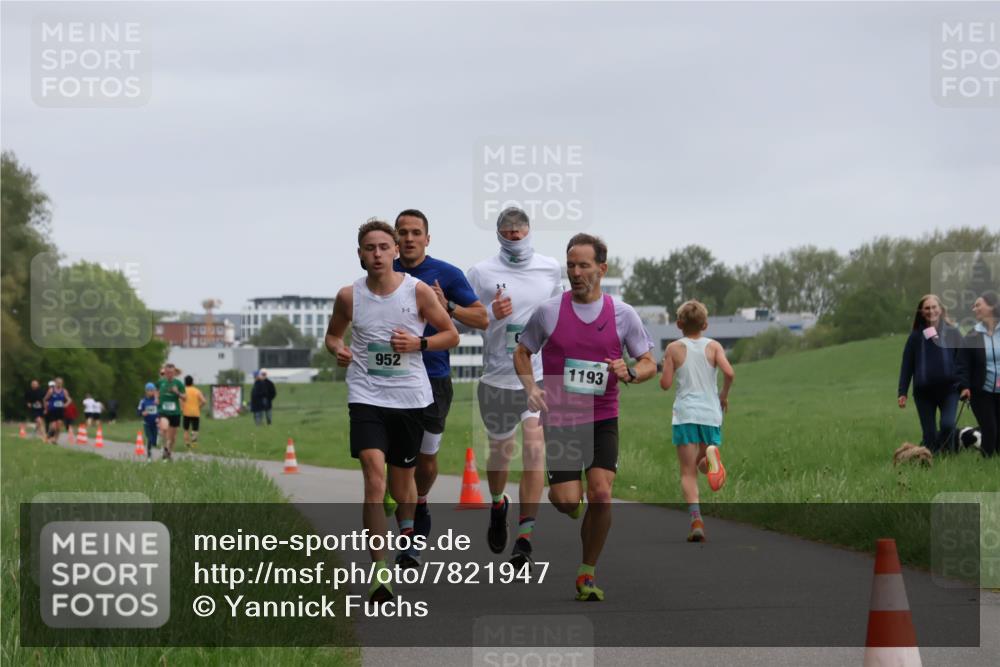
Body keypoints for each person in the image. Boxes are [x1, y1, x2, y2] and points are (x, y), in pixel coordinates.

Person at [514, 233, 656, 601]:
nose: (576, 273)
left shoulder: (622, 314)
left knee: (602, 493)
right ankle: (571, 504)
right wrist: (531, 387)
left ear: (601, 269)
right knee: (565, 500)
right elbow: (522, 352)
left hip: (602, 415)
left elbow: (648, 362)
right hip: (562, 417)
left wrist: (631, 372)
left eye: (584, 266)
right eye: (571, 266)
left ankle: (586, 573)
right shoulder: (549, 311)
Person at [325, 218, 459, 602]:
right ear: (360, 255)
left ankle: (407, 526)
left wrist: (418, 345)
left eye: (385, 247)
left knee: (404, 486)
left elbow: (451, 334)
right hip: (366, 395)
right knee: (373, 476)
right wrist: (338, 349)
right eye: (370, 248)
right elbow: (333, 335)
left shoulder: (416, 292)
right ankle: (380, 572)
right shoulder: (349, 296)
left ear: (396, 251)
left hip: (410, 399)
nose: (378, 254)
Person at [466, 207, 562, 567]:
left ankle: (525, 536)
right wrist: (491, 313)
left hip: (534, 375)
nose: (516, 240)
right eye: (509, 235)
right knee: (501, 455)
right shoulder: (480, 272)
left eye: (521, 234)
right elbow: (459, 317)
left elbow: (558, 316)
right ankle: (497, 503)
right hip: (496, 377)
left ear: (530, 232)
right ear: (499, 235)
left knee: (535, 449)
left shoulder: (551, 269)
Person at [393, 209, 488, 548]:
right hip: (391, 377)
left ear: (427, 239)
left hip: (434, 376)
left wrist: (447, 307)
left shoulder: (446, 273)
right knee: (397, 456)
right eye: (402, 232)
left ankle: (420, 500)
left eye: (415, 232)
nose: (408, 238)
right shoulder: (383, 272)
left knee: (426, 457)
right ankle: (405, 529)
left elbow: (482, 318)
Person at [660, 300, 735, 542]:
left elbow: (665, 385)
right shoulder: (714, 347)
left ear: (678, 323)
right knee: (703, 463)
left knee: (688, 471)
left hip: (685, 415)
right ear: (705, 324)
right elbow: (730, 372)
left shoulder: (673, 348)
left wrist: (665, 364)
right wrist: (723, 395)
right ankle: (711, 456)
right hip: (710, 414)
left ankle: (696, 521)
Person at [897, 294, 963, 454]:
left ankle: (949, 454)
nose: (931, 311)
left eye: (934, 307)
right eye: (927, 308)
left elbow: (963, 360)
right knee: (930, 434)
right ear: (921, 312)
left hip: (949, 390)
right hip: (924, 393)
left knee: (947, 425)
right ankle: (930, 458)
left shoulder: (952, 333)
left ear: (940, 310)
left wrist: (966, 385)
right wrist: (902, 392)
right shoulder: (915, 337)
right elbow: (907, 365)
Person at [957, 291, 1000, 458]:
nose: (974, 308)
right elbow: (962, 364)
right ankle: (987, 461)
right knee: (989, 428)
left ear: (992, 306)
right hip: (981, 391)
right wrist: (964, 386)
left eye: (978, 305)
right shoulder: (972, 335)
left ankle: (995, 464)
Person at [156, 363, 186, 460]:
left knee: (173, 438)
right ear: (165, 372)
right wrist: (156, 398)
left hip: (175, 413)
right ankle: (165, 448)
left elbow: (185, 398)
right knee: (164, 428)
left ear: (174, 373)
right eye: (167, 372)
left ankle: (168, 452)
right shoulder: (161, 382)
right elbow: (156, 390)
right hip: (163, 411)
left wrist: (177, 392)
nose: (169, 374)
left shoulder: (179, 383)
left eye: (171, 373)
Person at [42, 378, 72, 444]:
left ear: (62, 383)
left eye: (60, 383)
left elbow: (69, 399)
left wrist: (66, 404)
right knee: (53, 427)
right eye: (58, 382)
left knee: (59, 426)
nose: (59, 384)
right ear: (55, 383)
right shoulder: (51, 390)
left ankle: (55, 440)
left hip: (60, 410)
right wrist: (46, 408)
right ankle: (47, 436)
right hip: (52, 410)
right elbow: (44, 399)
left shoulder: (64, 391)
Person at [182, 375, 207, 447]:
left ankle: (187, 443)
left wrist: (182, 408)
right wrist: (199, 407)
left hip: (186, 413)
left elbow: (180, 400)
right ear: (192, 382)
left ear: (185, 382)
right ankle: (194, 443)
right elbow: (204, 401)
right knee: (195, 429)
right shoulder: (197, 391)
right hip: (195, 413)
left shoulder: (183, 390)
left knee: (186, 429)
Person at [137, 382, 160, 459]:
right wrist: (142, 413)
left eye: (153, 390)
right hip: (147, 423)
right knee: (149, 438)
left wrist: (158, 418)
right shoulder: (143, 401)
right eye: (149, 390)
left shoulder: (156, 401)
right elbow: (138, 412)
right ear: (146, 391)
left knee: (154, 441)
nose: (151, 392)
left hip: (155, 423)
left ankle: (154, 443)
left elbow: (160, 410)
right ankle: (149, 454)